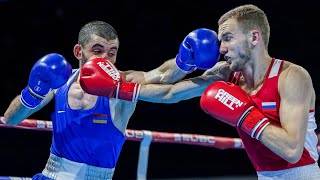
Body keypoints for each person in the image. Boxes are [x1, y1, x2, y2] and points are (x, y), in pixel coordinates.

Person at [2, 20, 226, 179]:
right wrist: (33, 92)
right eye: (97, 50)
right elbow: (11, 119)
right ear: (79, 52)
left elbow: (162, 76)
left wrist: (186, 62)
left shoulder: (122, 83)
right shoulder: (60, 81)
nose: (105, 59)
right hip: (48, 175)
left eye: (112, 52)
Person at [135, 4, 320, 179]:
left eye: (228, 38)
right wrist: (122, 89)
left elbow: (292, 151)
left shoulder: (291, 77)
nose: (221, 48)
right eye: (220, 40)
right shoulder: (224, 74)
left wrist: (245, 115)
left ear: (254, 38)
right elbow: (170, 93)